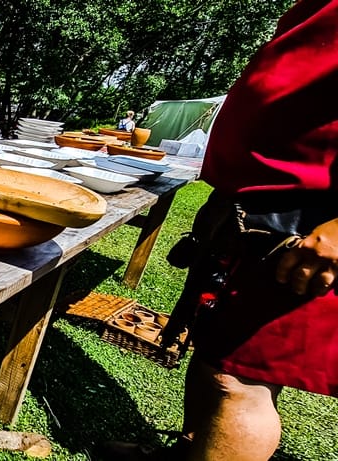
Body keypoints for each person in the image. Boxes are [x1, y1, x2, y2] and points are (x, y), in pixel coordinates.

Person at [102, 1, 338, 459]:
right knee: (219, 355)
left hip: (305, 218)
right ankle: (189, 451)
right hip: (254, 204)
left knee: (237, 382)